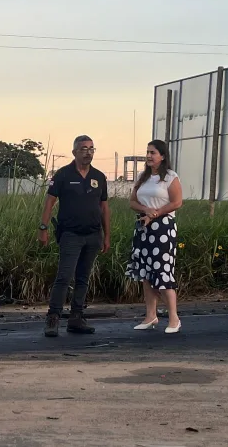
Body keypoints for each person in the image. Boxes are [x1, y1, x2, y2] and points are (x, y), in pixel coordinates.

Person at [38, 135, 111, 337]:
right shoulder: (62, 175)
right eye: (83, 149)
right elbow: (49, 203)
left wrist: (107, 236)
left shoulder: (99, 177)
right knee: (64, 277)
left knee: (83, 278)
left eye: (91, 149)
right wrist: (43, 228)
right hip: (70, 234)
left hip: (92, 235)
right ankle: (53, 318)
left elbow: (104, 208)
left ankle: (76, 318)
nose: (88, 152)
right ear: (74, 152)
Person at [125, 139, 183, 333]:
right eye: (148, 152)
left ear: (163, 156)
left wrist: (155, 214)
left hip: (163, 228)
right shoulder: (143, 177)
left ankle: (174, 318)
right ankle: (151, 316)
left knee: (162, 272)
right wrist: (146, 210)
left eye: (153, 152)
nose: (149, 156)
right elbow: (133, 201)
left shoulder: (170, 177)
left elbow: (176, 202)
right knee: (146, 274)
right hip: (143, 227)